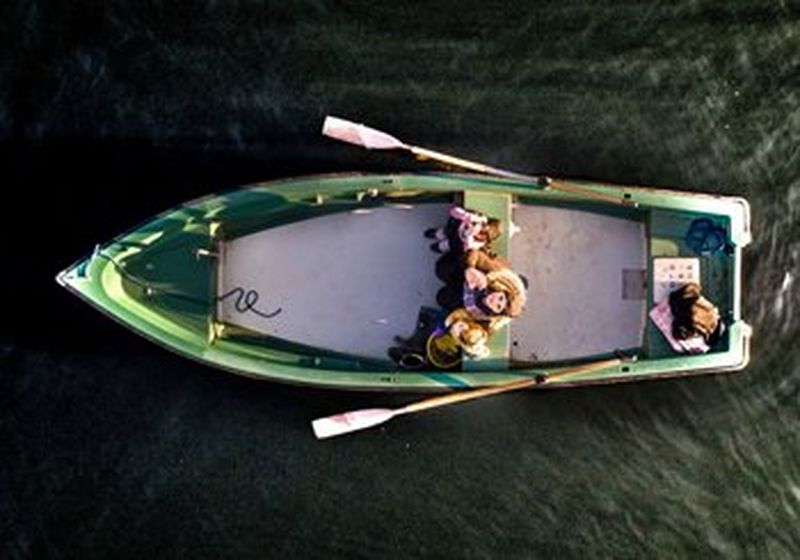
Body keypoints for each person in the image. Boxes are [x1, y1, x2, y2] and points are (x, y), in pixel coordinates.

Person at [424, 206, 503, 255]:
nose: (481, 231)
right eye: (484, 226)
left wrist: (469, 235)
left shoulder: (480, 243)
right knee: (446, 231)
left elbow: (468, 246)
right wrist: (467, 217)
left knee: (451, 245)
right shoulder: (477, 218)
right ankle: (439, 233)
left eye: (485, 234)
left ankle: (442, 246)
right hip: (454, 228)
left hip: (458, 241)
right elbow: (453, 211)